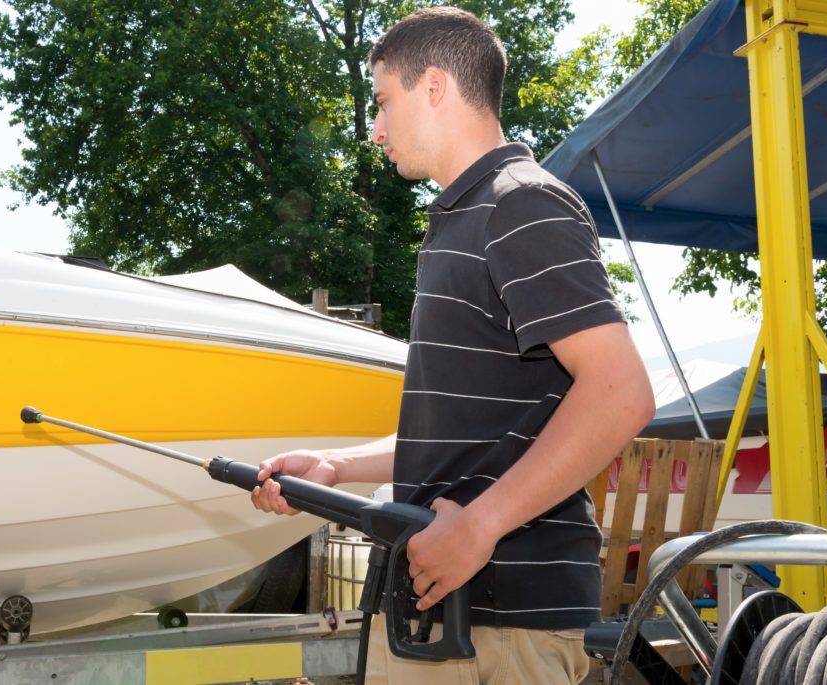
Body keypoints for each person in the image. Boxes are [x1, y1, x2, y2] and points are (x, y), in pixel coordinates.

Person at [249, 7, 656, 684]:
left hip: (500, 622)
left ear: (434, 86)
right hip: (441, 614)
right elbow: (469, 433)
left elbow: (621, 393)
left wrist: (478, 525)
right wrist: (333, 464)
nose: (374, 128)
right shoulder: (464, 217)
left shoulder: (521, 203)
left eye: (382, 101)